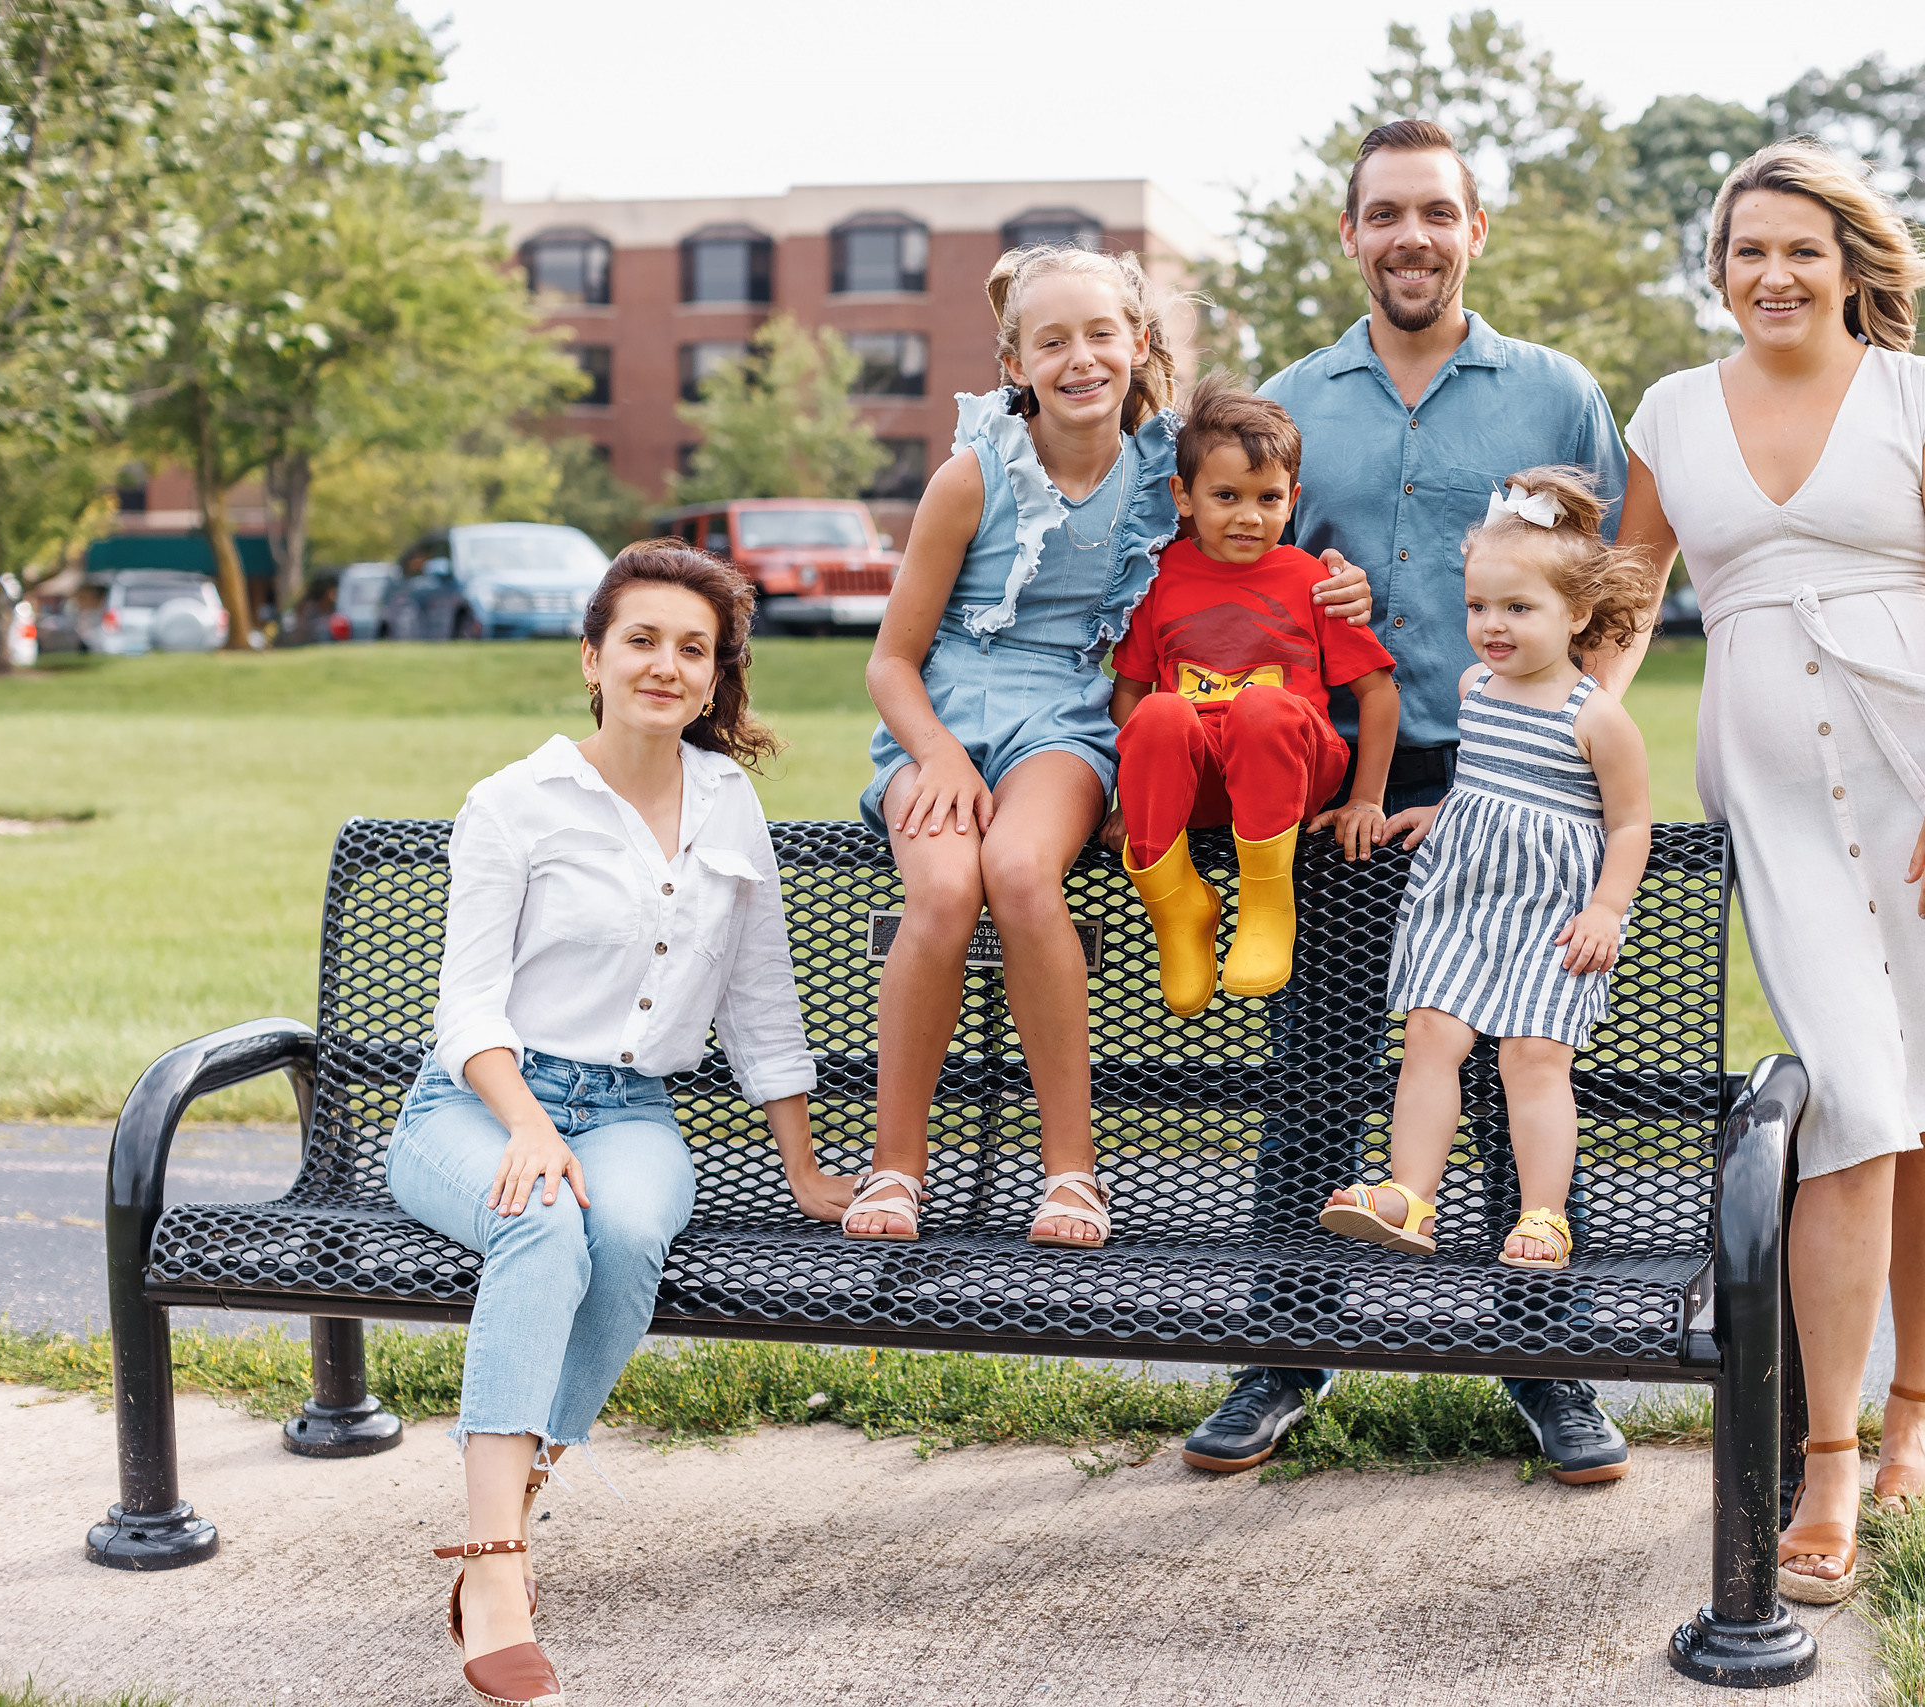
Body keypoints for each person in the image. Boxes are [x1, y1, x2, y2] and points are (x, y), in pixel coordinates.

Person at [1617, 138, 1925, 1603]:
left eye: (1801, 248)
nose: (1773, 273)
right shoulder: (1672, 413)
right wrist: (1584, 711)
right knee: (1854, 1099)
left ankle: (1915, 1421)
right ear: (1718, 265)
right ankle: (1824, 1458)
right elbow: (1627, 600)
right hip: (1775, 792)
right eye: (1748, 248)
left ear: (1850, 262)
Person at [1178, 117, 1642, 1484]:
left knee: (1523, 1064)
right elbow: (1233, 567)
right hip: (1342, 783)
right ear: (1351, 236)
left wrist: (1583, 722)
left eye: (1436, 212)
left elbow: (1615, 585)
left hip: (1521, 782)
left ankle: (1549, 1364)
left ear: (1474, 229)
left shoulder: (1555, 393)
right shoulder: (1290, 398)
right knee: (1320, 1063)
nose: (1412, 237)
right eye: (1385, 214)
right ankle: (1284, 1348)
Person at [388, 543, 849, 1707]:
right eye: (641, 640)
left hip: (632, 1108)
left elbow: (760, 1000)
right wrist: (527, 1125)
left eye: (692, 649)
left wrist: (801, 1167)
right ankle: (495, 1566)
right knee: (544, 1226)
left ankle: (521, 1489)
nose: (666, 664)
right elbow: (467, 1007)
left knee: (628, 1233)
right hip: (477, 1103)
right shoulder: (515, 802)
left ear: (713, 679)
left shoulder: (731, 805)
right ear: (592, 659)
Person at [851, 247, 1370, 1248]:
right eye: (1052, 342)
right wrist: (940, 758)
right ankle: (896, 1168)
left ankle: (1071, 1175)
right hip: (944, 717)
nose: (1079, 358)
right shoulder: (970, 479)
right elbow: (889, 662)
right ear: (1016, 366)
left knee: (1016, 869)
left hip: (1071, 717)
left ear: (1138, 346)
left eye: (1100, 335)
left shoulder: (1162, 474)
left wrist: (1329, 576)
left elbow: (1252, 526)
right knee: (946, 889)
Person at [1319, 468, 1656, 1308]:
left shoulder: (1596, 717)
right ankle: (1410, 1196)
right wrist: (1444, 811)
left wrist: (1607, 907)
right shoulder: (1475, 692)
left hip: (1549, 916)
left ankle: (1544, 1213)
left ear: (1576, 614)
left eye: (1518, 608)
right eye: (1479, 607)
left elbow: (1629, 825)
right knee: (1430, 1032)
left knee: (1532, 1058)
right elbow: (1488, 781)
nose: (1491, 627)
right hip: (1463, 899)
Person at [1109, 378, 1400, 1014]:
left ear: (1293, 500)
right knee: (1161, 711)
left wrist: (1367, 800)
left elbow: (1377, 693)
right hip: (1198, 778)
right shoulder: (1159, 579)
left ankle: (1267, 902)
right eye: (1225, 496)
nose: (1249, 515)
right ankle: (1178, 907)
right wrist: (1136, 801)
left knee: (1260, 708)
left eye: (1268, 498)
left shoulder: (1312, 580)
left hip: (1290, 769)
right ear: (1183, 496)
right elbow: (1128, 695)